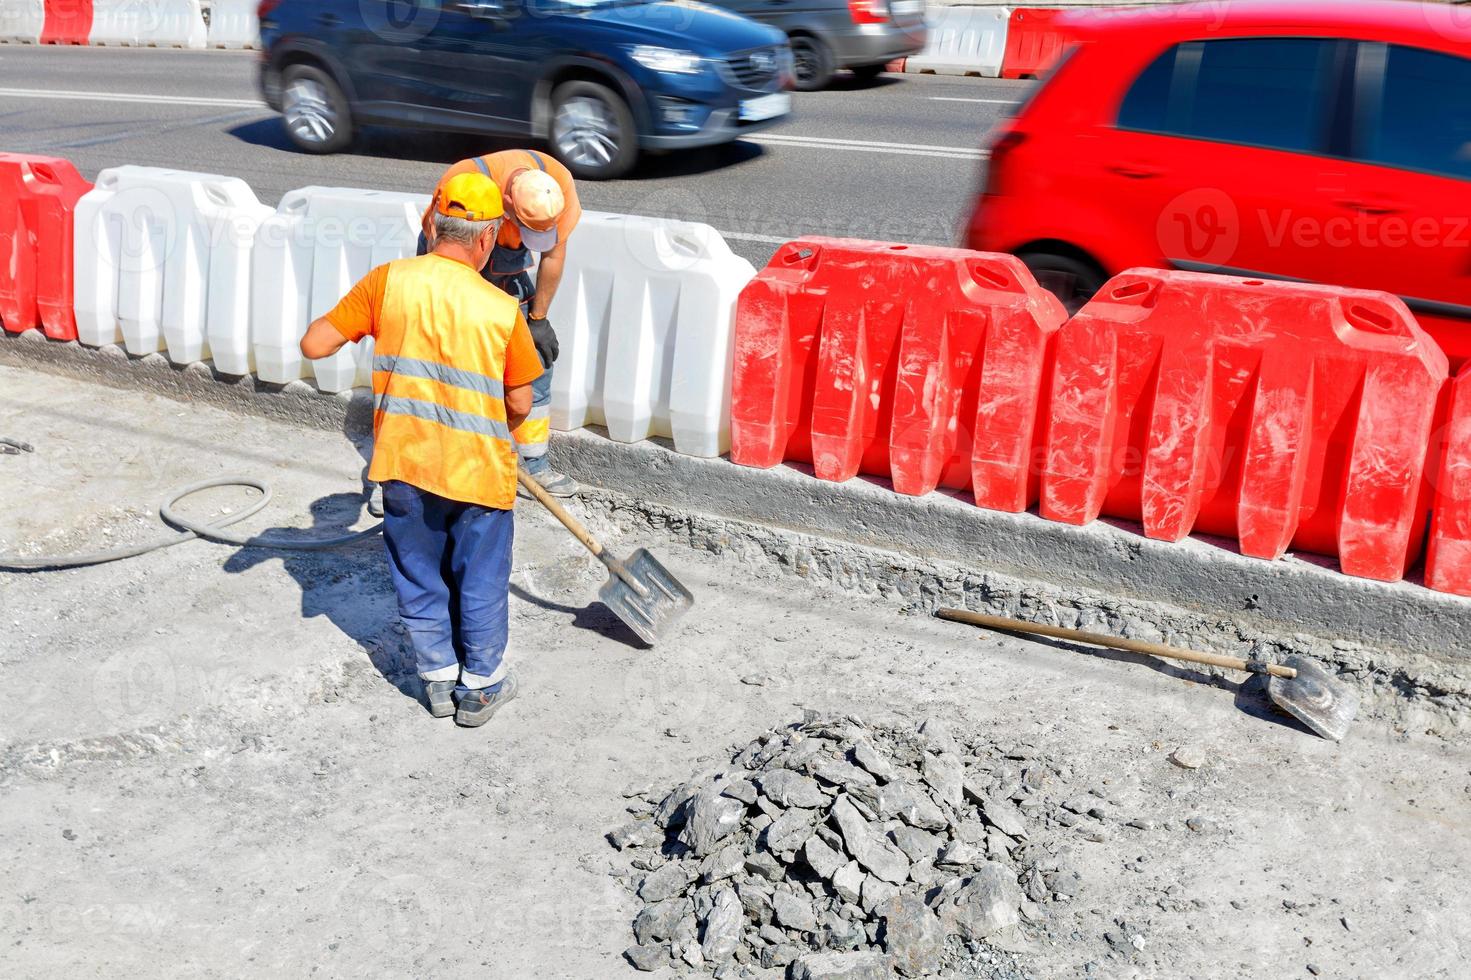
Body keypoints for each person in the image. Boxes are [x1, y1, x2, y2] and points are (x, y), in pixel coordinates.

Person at [299, 172, 544, 728]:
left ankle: (436, 680)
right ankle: (479, 689)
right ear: (487, 240)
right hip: (479, 472)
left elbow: (315, 343)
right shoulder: (501, 309)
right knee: (480, 578)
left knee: (418, 574)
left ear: (430, 224)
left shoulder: (388, 283)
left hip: (404, 467)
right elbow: (523, 403)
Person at [422, 149, 584, 498]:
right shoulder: (465, 181)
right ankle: (414, 470)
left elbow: (553, 255)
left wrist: (537, 319)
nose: (533, 241)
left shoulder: (558, 184)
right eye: (526, 230)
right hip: (452, 263)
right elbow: (441, 256)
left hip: (504, 269)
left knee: (535, 362)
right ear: (506, 202)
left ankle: (531, 463)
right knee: (446, 365)